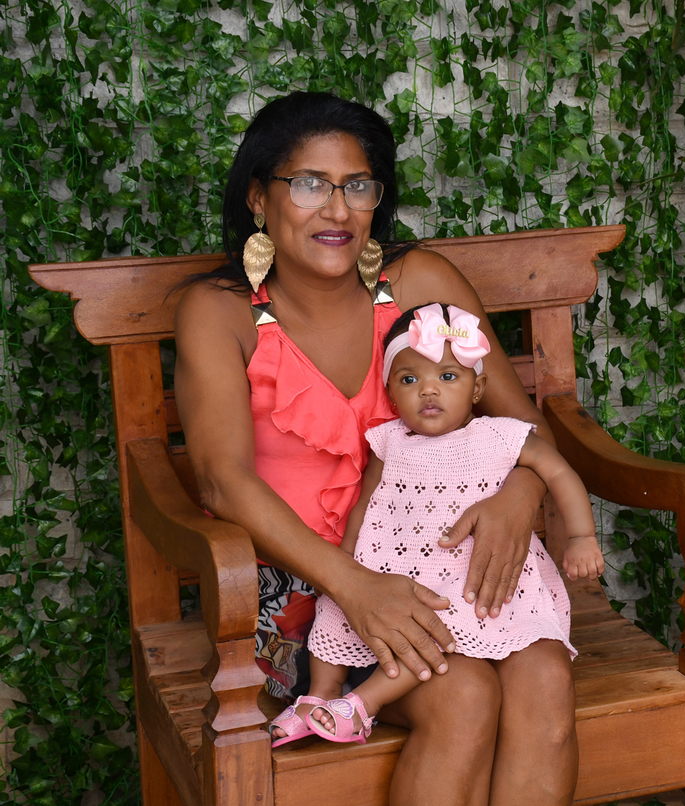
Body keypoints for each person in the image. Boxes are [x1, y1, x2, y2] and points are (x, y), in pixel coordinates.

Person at [174, 91, 582, 804]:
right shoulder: (221, 311)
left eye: (357, 186)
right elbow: (221, 482)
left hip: (449, 567)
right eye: (309, 184)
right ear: (259, 199)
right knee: (464, 695)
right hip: (303, 592)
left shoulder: (419, 284)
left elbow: (525, 429)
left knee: (546, 677)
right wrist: (356, 586)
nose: (337, 210)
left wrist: (519, 497)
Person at [283, 301, 604, 743]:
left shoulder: (499, 435)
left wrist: (582, 536)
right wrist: (348, 562)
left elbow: (559, 472)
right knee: (333, 610)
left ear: (477, 388)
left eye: (448, 377)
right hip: (397, 574)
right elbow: (365, 506)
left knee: (434, 625)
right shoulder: (389, 442)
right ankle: (319, 695)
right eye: (409, 380)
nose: (428, 390)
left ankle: (362, 705)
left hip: (468, 580)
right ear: (391, 392)